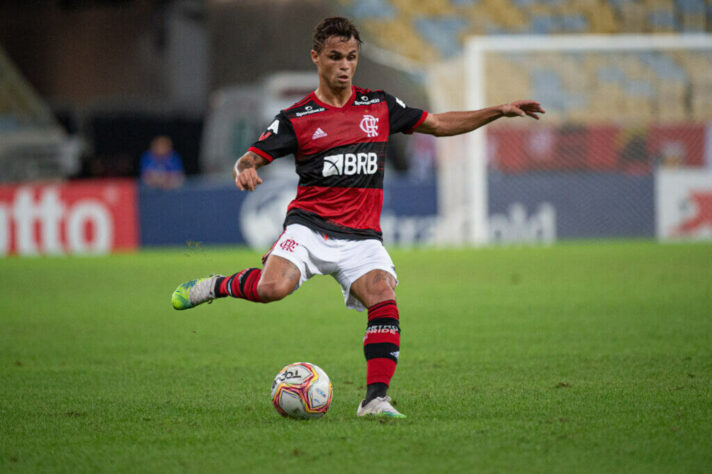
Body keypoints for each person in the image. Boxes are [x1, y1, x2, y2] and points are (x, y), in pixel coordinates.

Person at [171, 17, 544, 418]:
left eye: (351, 57)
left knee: (383, 294)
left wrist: (498, 111)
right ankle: (215, 286)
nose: (345, 65)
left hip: (362, 237)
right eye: (335, 57)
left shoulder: (379, 105)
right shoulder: (297, 117)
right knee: (272, 289)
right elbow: (251, 155)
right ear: (316, 58)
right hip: (310, 227)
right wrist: (244, 168)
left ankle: (374, 399)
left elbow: (437, 124)